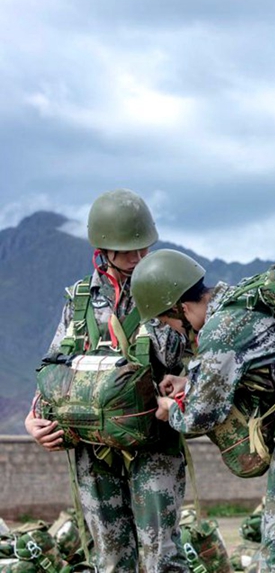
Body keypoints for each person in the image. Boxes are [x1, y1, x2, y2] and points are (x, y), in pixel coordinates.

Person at [130, 248, 275, 573]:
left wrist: (169, 408)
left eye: (168, 321)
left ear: (182, 308)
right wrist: (190, 381)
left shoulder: (220, 330)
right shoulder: (244, 299)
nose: (172, 330)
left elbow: (200, 416)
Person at [24, 189, 189, 573]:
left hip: (152, 444)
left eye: (143, 249)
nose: (138, 258)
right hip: (92, 447)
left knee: (161, 556)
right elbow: (55, 366)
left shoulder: (166, 288)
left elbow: (185, 357)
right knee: (111, 559)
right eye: (128, 250)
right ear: (103, 249)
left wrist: (153, 300)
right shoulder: (80, 299)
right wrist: (34, 419)